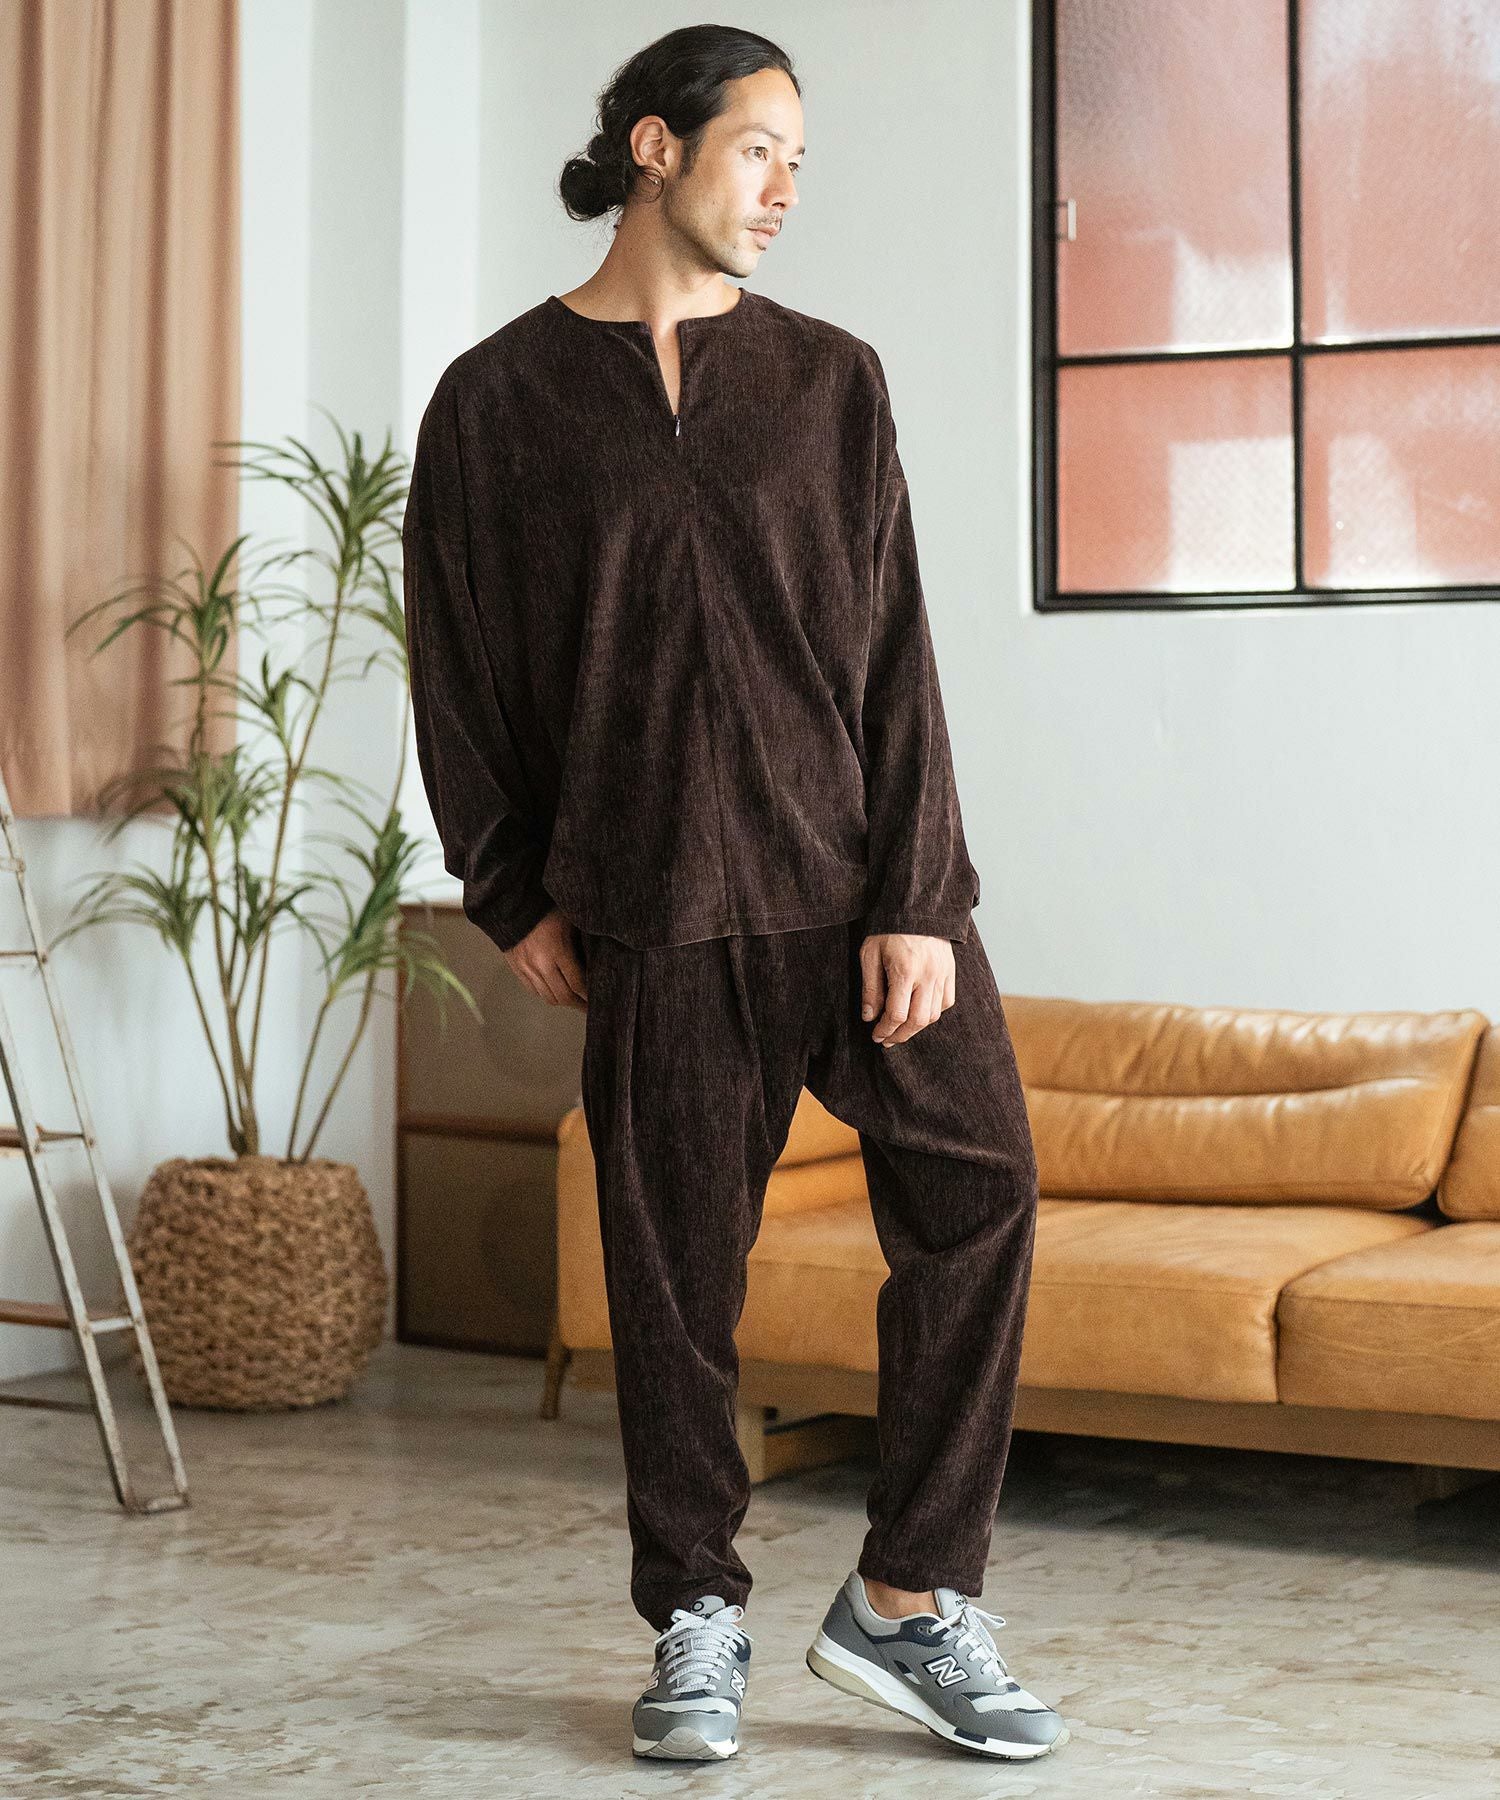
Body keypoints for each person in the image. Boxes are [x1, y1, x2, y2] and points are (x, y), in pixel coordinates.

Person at [402, 21, 1067, 1768]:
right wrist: (510, 889)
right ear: (655, 146)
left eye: (797, 162)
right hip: (654, 902)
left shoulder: (833, 379)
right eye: (758, 149)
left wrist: (918, 891)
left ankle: (911, 1596)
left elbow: (894, 648)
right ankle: (696, 1613)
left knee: (982, 1189)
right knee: (676, 1279)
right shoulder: (495, 402)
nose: (782, 188)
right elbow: (458, 668)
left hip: (859, 895)